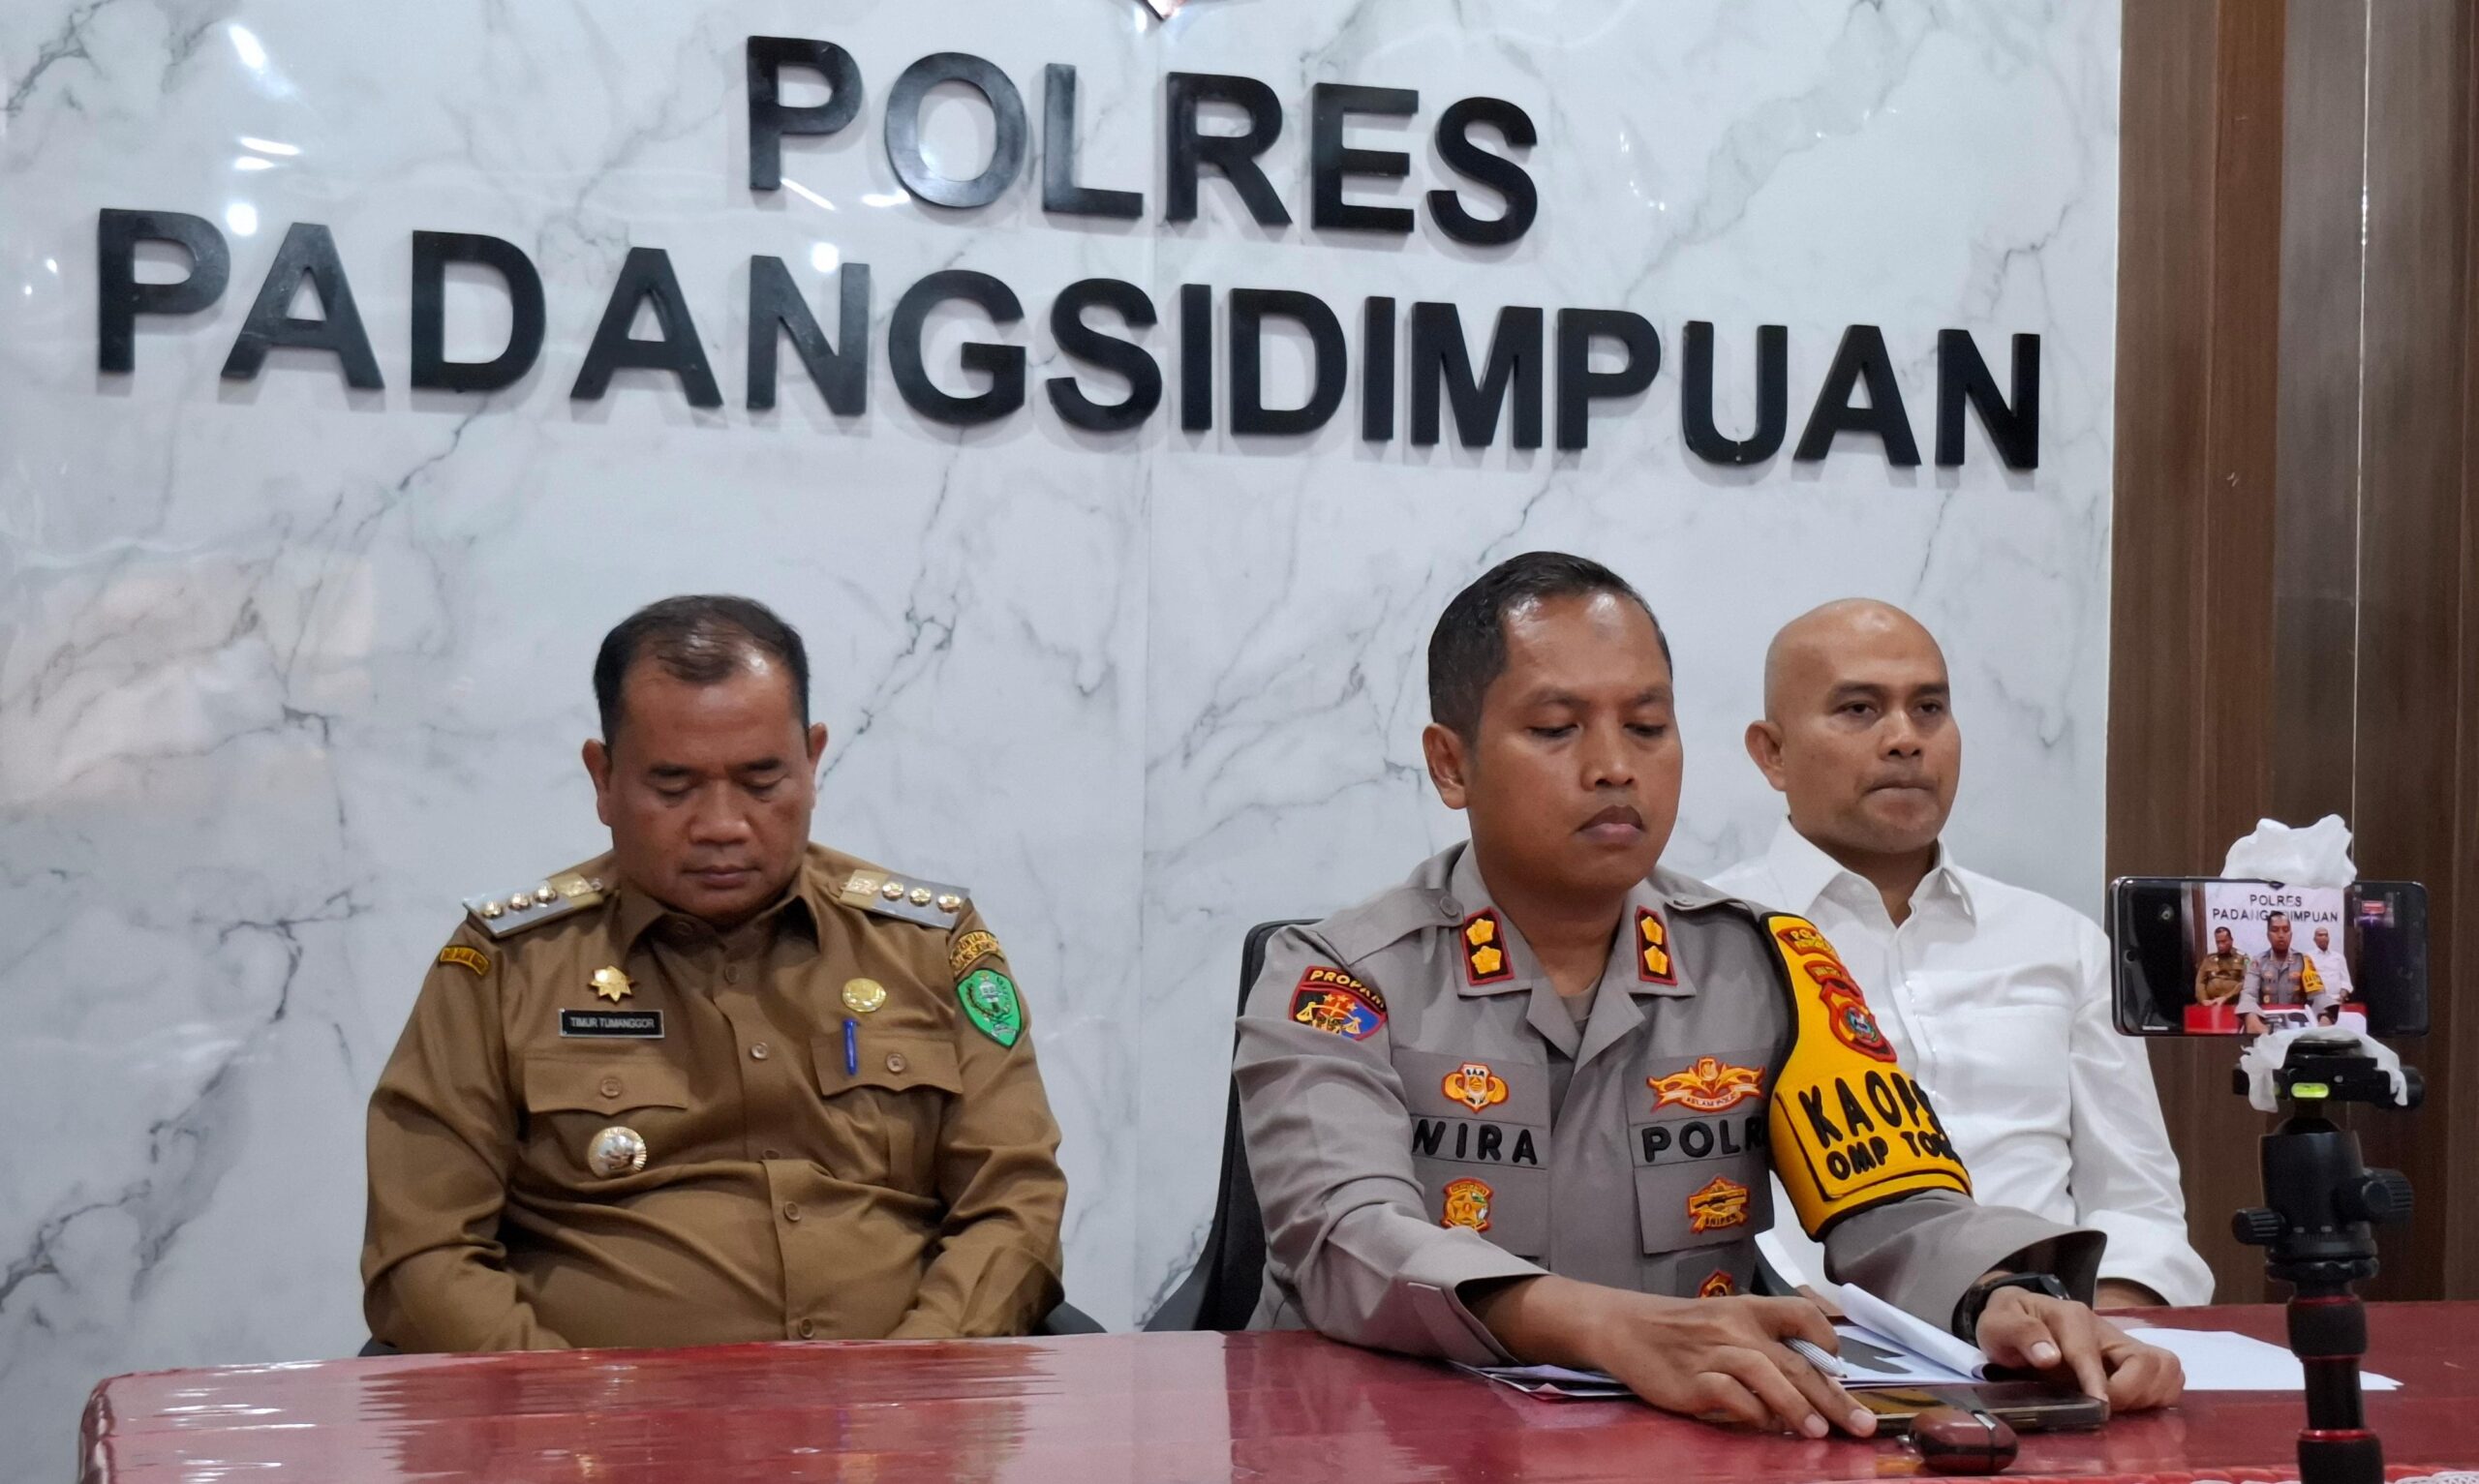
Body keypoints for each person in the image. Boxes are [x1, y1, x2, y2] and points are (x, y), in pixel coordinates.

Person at [1234, 555, 2182, 1439]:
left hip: (1690, 1441)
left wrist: (2003, 1298)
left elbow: (1898, 1208)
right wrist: (1609, 1327)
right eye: (1557, 729)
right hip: (1397, 1437)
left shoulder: (1769, 960)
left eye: (1647, 727)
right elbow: (1344, 1236)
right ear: (1451, 764)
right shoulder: (1338, 976)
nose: (1614, 765)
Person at [362, 595, 1068, 1350]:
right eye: (674, 786)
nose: (723, 825)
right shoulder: (508, 964)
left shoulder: (926, 945)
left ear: (813, 761)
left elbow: (1013, 1201)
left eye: (762, 781)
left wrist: (915, 1374)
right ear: (603, 777)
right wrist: (565, 1402)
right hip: (598, 1416)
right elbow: (423, 1251)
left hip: (901, 1406)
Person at [1712, 599, 2211, 1312]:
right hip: (1809, 1350)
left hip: (2061, 1342)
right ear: (1773, 753)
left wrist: (2102, 1327)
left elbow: (2138, 1203)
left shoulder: (2059, 942)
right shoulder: (1708, 940)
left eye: (1929, 708)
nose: (1904, 739)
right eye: (1858, 709)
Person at [2237, 911, 2337, 1036]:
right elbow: (2249, 994)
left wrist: (2325, 1016)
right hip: (2266, 1025)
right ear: (2268, 935)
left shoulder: (2303, 960)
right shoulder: (2258, 961)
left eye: (2285, 930)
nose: (2281, 935)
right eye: (2275, 930)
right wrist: (2251, 1019)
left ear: (2291, 934)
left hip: (2298, 1026)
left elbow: (2318, 994)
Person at [2194, 926, 2249, 1008]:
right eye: (2218, 942)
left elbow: (2246, 981)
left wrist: (2226, 997)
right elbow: (2200, 981)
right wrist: (2203, 1000)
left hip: (2233, 1004)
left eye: (2223, 941)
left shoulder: (2243, 958)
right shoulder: (2209, 959)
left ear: (2231, 940)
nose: (2220, 945)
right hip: (2210, 1004)